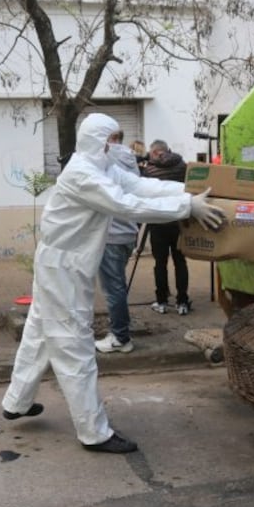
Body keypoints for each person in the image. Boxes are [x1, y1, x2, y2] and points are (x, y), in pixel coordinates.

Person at [1, 113, 225, 454]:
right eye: (112, 139)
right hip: (64, 270)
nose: (116, 145)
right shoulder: (83, 175)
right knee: (74, 347)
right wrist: (186, 207)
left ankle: (16, 402)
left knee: (39, 335)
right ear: (99, 141)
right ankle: (94, 432)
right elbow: (127, 204)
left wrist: (187, 191)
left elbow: (138, 185)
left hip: (61, 265)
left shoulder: (99, 165)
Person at [95, 130, 141, 353]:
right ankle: (120, 333)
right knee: (118, 286)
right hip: (129, 231)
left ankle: (121, 338)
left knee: (113, 288)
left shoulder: (106, 160)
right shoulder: (131, 159)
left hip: (112, 233)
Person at [142, 139, 191, 315]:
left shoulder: (149, 170)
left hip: (158, 221)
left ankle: (162, 301)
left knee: (160, 264)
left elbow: (144, 193)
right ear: (168, 150)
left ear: (154, 152)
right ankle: (182, 302)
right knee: (180, 262)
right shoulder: (182, 166)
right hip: (179, 222)